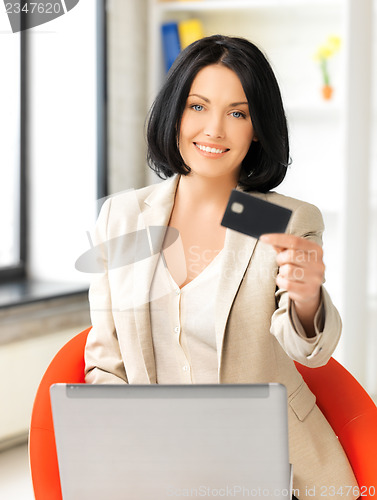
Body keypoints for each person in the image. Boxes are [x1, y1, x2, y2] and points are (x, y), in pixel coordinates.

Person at [84, 35, 358, 499]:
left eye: (238, 113)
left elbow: (309, 350)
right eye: (197, 106)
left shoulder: (277, 220)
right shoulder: (124, 218)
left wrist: (308, 299)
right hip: (157, 467)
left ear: (257, 130)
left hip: (269, 468)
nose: (214, 129)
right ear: (174, 115)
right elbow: (106, 362)